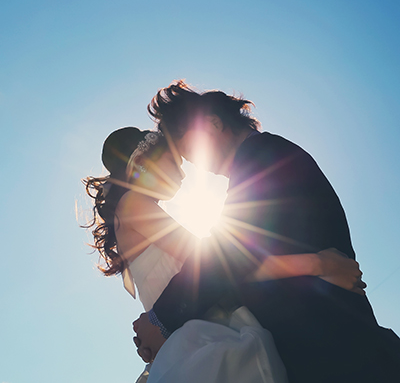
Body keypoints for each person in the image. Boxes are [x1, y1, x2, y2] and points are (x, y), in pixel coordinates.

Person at [131, 81, 400, 382]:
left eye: (191, 151)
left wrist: (161, 319)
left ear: (213, 123)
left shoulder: (263, 155)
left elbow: (227, 254)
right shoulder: (262, 156)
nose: (198, 165)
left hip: (336, 346)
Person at [84, 126, 363, 383]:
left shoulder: (133, 211)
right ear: (144, 165)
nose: (183, 176)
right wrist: (318, 264)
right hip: (207, 340)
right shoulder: (136, 205)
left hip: (193, 335)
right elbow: (220, 264)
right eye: (175, 163)